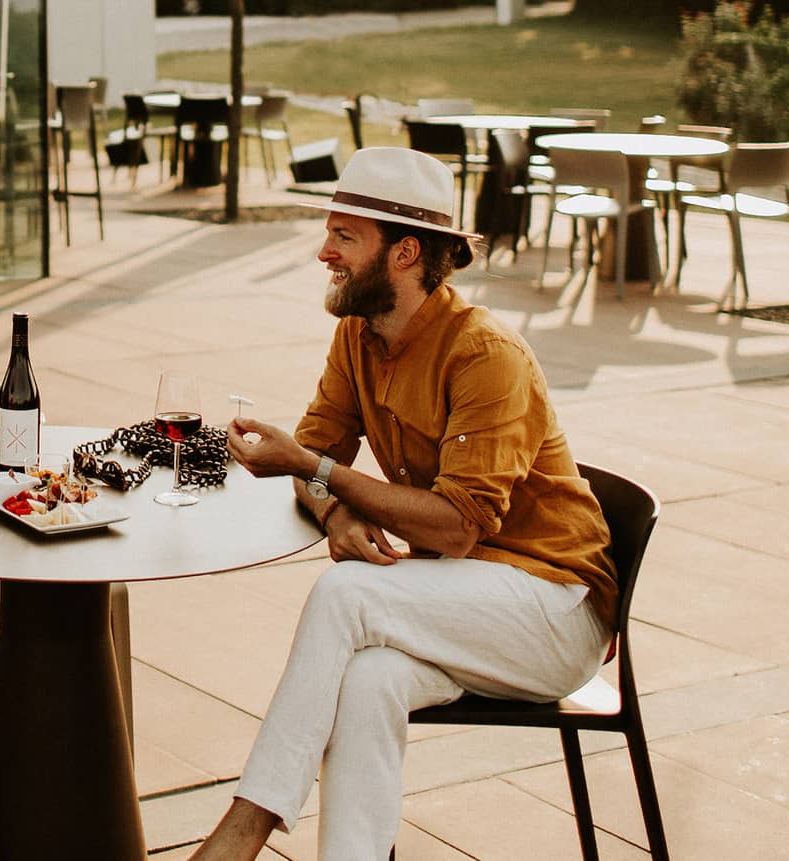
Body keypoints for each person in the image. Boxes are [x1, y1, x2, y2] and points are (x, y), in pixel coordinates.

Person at [195, 147, 618, 860]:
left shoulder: (485, 354)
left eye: (345, 237)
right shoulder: (359, 335)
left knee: (346, 595)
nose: (323, 252)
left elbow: (455, 528)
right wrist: (333, 507)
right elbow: (314, 453)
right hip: (467, 602)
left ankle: (245, 830)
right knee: (367, 679)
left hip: (554, 612)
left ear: (406, 252)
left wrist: (315, 468)